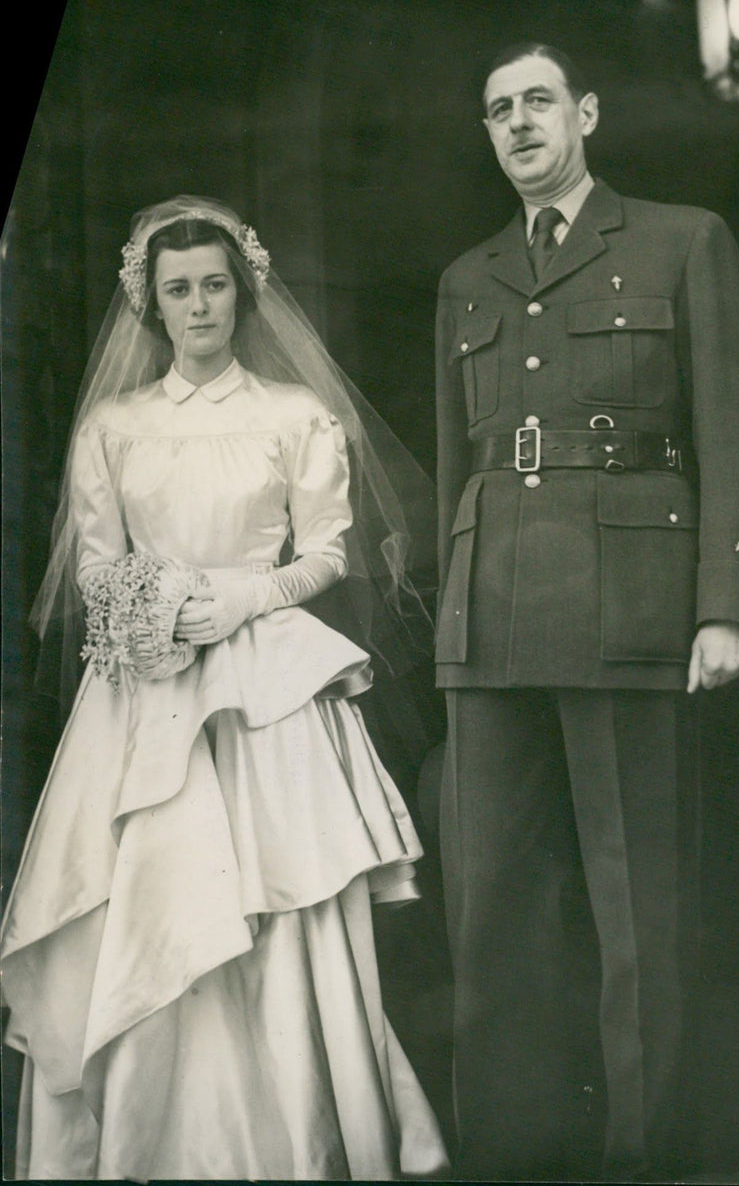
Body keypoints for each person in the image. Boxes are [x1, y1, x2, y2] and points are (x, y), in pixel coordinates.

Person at [1, 195, 449, 1181]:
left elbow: (328, 551)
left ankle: (291, 1139)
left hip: (268, 684)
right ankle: (150, 1139)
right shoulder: (113, 427)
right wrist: (151, 608)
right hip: (146, 688)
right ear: (151, 307)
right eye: (177, 291)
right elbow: (94, 566)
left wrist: (237, 596)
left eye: (213, 286)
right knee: (151, 895)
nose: (198, 306)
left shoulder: (295, 416)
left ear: (238, 295)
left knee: (278, 901)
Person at [435, 43, 739, 1181]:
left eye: (537, 100)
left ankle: (643, 1159)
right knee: (491, 915)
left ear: (585, 110)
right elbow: (455, 464)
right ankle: (511, 1154)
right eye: (497, 110)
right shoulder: (468, 276)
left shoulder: (680, 241)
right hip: (492, 615)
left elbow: (731, 426)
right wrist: (454, 616)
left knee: (640, 914)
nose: (518, 122)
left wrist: (726, 603)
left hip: (632, 607)